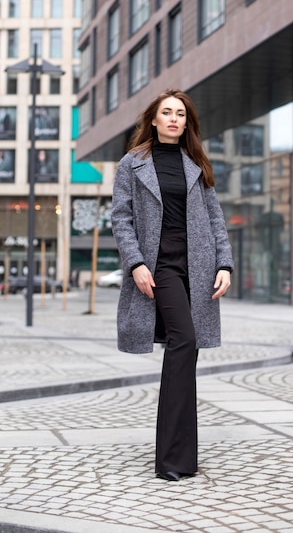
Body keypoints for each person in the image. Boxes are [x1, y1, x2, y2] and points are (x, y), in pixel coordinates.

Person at [111, 88, 234, 482]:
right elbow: (121, 219)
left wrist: (225, 264)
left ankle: (179, 455)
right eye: (166, 112)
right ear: (153, 119)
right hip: (158, 266)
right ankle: (173, 459)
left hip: (196, 269)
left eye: (180, 113)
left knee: (188, 346)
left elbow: (215, 219)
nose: (174, 118)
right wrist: (136, 264)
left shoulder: (196, 162)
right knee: (183, 339)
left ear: (187, 122)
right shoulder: (132, 165)